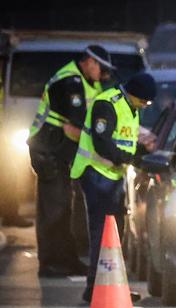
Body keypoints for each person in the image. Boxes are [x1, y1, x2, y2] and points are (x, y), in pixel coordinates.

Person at [69, 72, 157, 303]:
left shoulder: (130, 107)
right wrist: (129, 157)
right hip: (97, 175)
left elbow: (123, 140)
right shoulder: (107, 104)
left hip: (112, 176)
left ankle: (107, 286)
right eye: (144, 101)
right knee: (103, 233)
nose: (145, 106)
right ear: (135, 94)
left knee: (114, 233)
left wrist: (138, 154)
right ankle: (97, 288)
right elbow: (102, 144)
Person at [27, 45, 114, 277]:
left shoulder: (86, 81)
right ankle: (50, 263)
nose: (104, 76)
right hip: (48, 150)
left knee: (65, 208)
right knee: (53, 209)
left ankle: (67, 260)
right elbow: (74, 127)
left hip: (58, 152)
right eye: (102, 69)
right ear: (90, 62)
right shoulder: (70, 82)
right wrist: (102, 148)